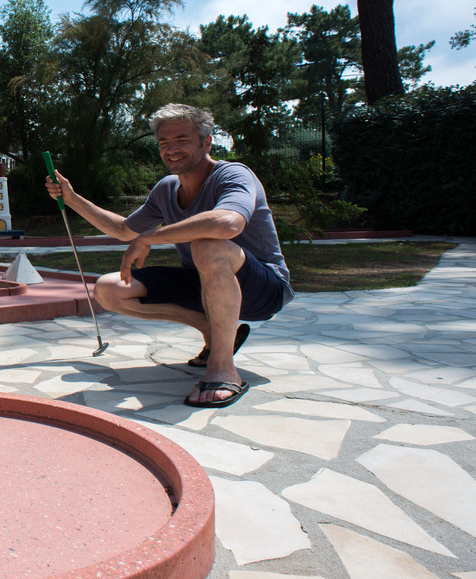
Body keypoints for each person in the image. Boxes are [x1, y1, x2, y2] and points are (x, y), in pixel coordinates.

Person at [45, 104, 292, 408]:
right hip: (203, 283)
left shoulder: (232, 174)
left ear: (206, 142)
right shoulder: (167, 189)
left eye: (182, 139)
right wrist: (72, 199)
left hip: (264, 289)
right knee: (109, 289)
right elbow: (124, 229)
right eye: (164, 142)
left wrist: (152, 236)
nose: (171, 149)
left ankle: (224, 368)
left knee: (208, 244)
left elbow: (228, 223)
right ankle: (209, 328)